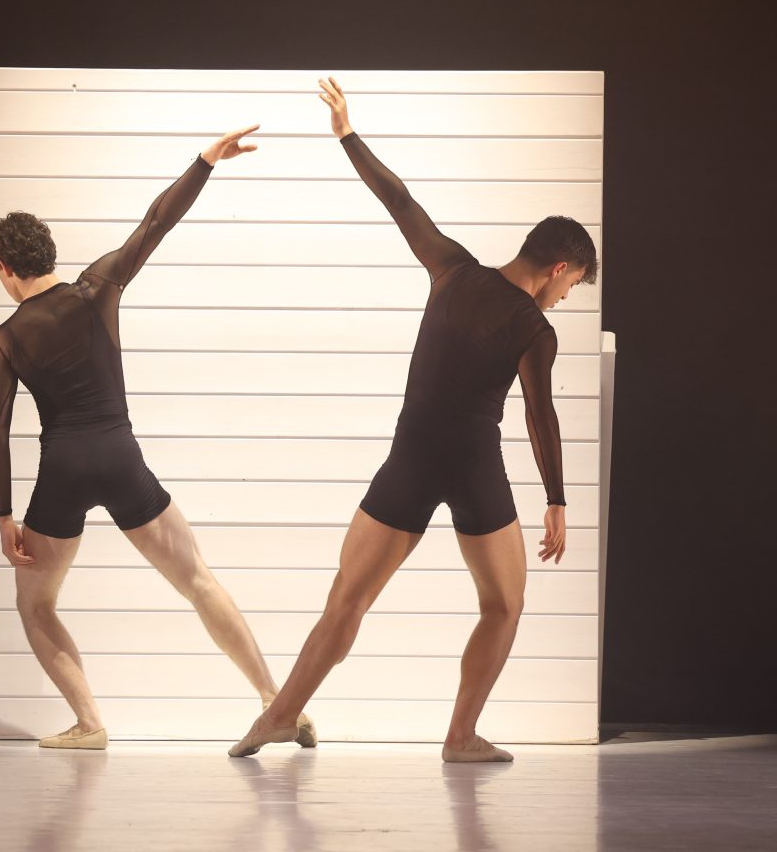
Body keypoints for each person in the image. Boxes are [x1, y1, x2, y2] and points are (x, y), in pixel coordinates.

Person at [229, 79, 598, 762]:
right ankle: (460, 736)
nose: (566, 297)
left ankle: (277, 717)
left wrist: (347, 135)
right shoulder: (533, 328)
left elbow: (399, 201)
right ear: (558, 268)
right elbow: (539, 414)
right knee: (504, 604)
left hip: (410, 459)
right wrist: (556, 498)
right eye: (573, 285)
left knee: (346, 600)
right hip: (475, 467)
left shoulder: (450, 269)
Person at [0, 124, 316, 750]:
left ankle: (89, 724)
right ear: (48, 255)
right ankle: (277, 704)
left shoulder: (5, 338)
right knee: (198, 581)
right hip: (119, 456)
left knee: (36, 605)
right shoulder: (96, 287)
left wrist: (4, 515)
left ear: (4, 268)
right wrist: (205, 160)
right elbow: (155, 223)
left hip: (62, 470)